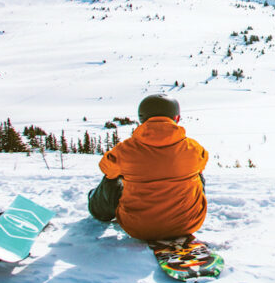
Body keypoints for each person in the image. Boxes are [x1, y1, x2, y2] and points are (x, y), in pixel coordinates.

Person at [87, 94, 209, 240]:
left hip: (137, 227)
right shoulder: (193, 148)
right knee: (197, 175)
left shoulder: (126, 149)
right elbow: (202, 164)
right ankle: (182, 214)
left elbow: (106, 168)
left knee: (111, 177)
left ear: (142, 119)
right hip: (188, 225)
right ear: (176, 118)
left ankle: (99, 209)